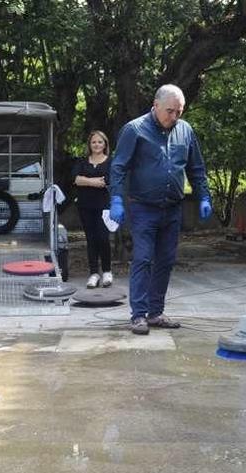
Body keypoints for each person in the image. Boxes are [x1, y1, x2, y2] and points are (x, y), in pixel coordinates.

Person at [108, 84, 213, 335]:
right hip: (143, 207)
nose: (174, 117)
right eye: (170, 111)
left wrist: (204, 197)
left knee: (165, 260)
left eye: (179, 112)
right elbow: (119, 167)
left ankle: (156, 313)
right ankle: (138, 315)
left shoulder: (185, 131)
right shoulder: (134, 130)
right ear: (155, 106)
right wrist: (117, 200)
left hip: (172, 208)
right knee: (143, 258)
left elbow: (196, 168)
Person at [72, 130, 114, 289]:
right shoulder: (82, 161)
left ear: (105, 144)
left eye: (100, 142)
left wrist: (86, 180)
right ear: (89, 145)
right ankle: (94, 273)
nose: (97, 145)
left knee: (103, 238)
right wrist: (93, 181)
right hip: (85, 206)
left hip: (104, 207)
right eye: (94, 142)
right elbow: (76, 179)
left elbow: (107, 181)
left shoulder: (111, 161)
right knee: (91, 240)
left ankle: (107, 272)